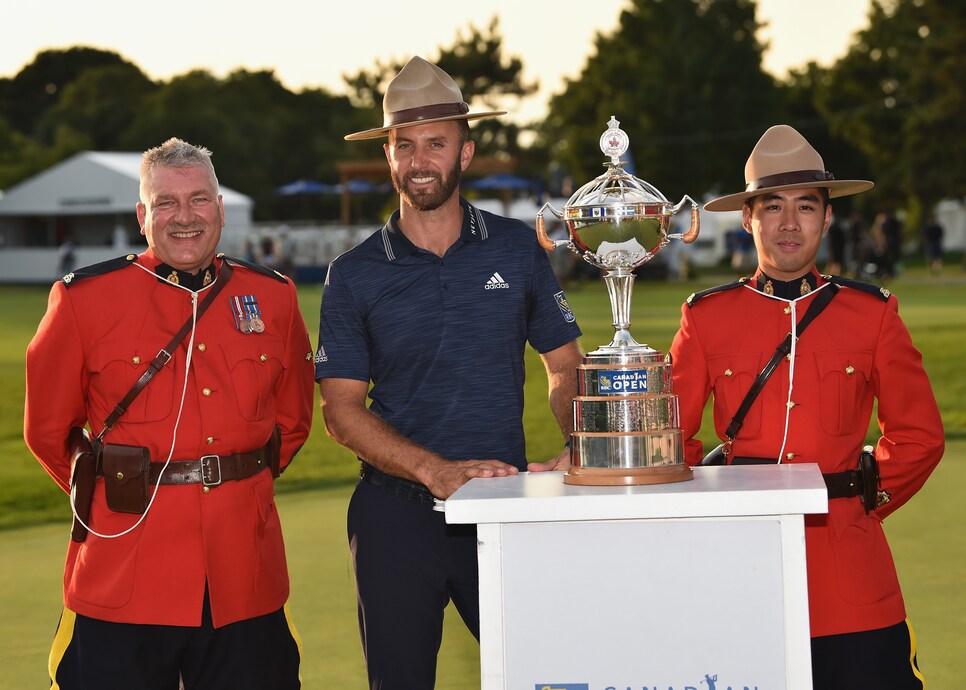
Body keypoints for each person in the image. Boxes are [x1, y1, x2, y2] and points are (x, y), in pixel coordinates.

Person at [315, 56, 583, 689]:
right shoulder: (353, 273)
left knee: (542, 675)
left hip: (502, 507)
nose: (419, 159)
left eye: (435, 142)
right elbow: (341, 411)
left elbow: (565, 366)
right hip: (395, 514)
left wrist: (581, 443)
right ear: (388, 155)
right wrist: (434, 472)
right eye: (403, 145)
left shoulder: (517, 246)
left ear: (465, 151)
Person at [24, 138, 315, 689]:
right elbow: (46, 432)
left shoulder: (272, 298)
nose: (185, 217)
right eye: (165, 203)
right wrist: (114, 492)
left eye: (200, 200)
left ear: (221, 210)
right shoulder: (83, 299)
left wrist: (233, 487)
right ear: (142, 215)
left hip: (242, 573)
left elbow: (292, 422)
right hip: (125, 567)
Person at [669, 125, 944, 689]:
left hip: (852, 575)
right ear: (748, 219)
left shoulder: (873, 315)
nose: (789, 223)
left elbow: (918, 437)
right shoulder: (707, 317)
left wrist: (861, 494)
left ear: (826, 218)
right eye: (773, 206)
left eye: (806, 206)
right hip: (741, 568)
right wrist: (715, 502)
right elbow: (673, 436)